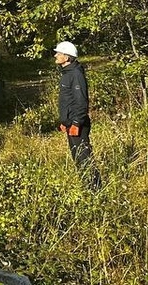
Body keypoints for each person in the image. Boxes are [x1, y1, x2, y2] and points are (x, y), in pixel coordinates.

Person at [55, 40, 102, 190]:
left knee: (84, 157)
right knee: (77, 157)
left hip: (78, 125)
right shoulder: (67, 73)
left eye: (59, 53)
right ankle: (86, 187)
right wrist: (65, 121)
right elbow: (68, 101)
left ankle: (95, 189)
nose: (56, 55)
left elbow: (81, 101)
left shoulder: (75, 74)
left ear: (67, 57)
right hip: (71, 124)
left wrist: (76, 123)